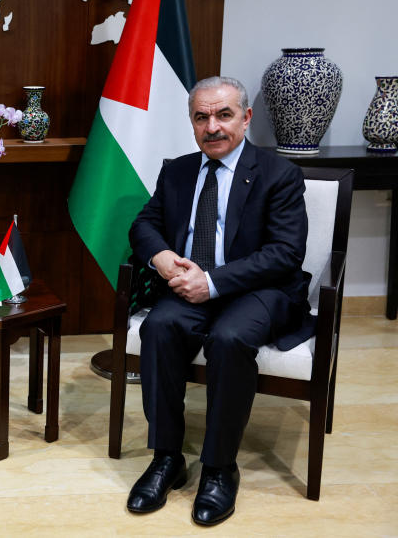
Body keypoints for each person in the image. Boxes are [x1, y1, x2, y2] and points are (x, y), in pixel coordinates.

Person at [126, 76, 311, 526]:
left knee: (229, 339)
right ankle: (167, 458)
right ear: (192, 122)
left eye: (224, 114)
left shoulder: (279, 174)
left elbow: (285, 253)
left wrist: (213, 282)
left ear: (246, 119)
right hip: (190, 286)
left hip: (259, 290)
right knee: (159, 326)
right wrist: (164, 258)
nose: (213, 126)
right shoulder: (178, 170)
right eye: (201, 116)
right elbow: (143, 225)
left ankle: (219, 467)